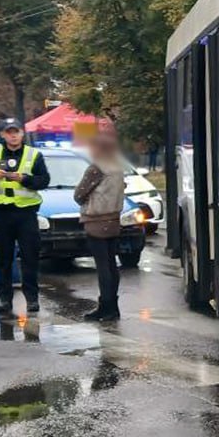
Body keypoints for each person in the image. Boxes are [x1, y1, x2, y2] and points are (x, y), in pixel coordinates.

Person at [0, 117, 50, 318]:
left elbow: (44, 180)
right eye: (9, 132)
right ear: (2, 135)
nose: (13, 135)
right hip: (3, 214)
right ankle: (5, 300)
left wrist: (25, 179)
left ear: (22, 134)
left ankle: (32, 299)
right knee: (4, 259)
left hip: (26, 214)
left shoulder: (34, 155)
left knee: (30, 257)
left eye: (16, 131)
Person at [73, 130, 126, 322]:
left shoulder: (96, 169)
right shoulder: (118, 167)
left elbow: (79, 195)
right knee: (112, 264)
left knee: (103, 265)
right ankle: (113, 307)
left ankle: (106, 307)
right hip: (113, 220)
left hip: (96, 221)